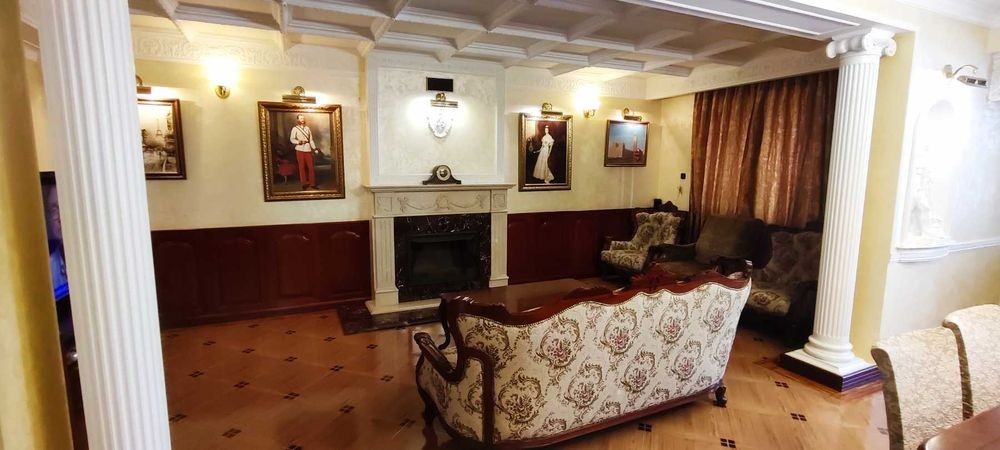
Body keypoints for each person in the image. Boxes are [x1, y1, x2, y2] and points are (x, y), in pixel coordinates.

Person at [289, 114, 319, 190]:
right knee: (301, 167)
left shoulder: (308, 128)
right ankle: (304, 183)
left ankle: (312, 183)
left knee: (311, 167)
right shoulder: (295, 129)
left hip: (308, 149)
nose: (302, 120)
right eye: (301, 118)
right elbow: (292, 139)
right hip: (299, 150)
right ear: (298, 120)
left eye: (303, 118)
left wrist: (314, 148)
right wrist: (299, 142)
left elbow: (311, 140)